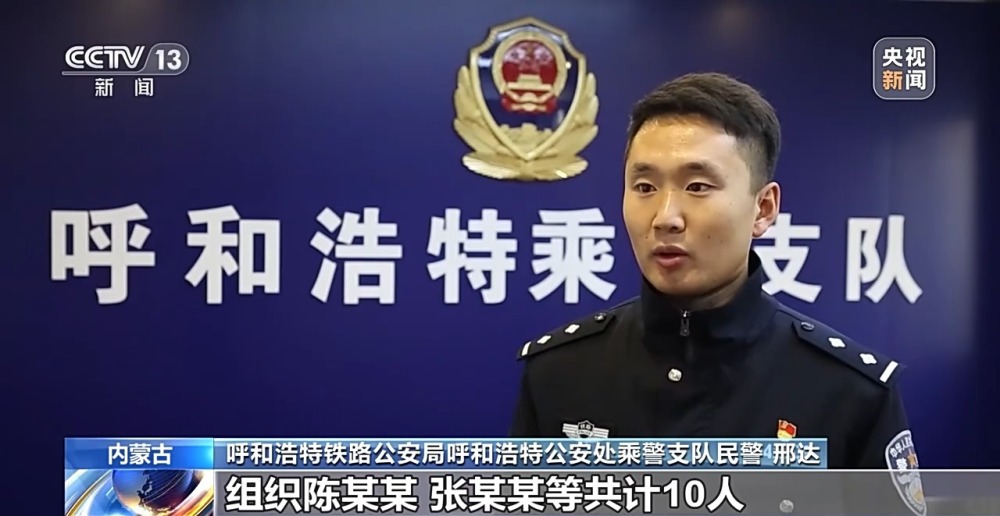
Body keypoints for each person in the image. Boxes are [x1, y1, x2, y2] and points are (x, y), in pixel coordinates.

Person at [509, 73, 926, 515]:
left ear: (763, 208)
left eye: (698, 187)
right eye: (645, 187)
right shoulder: (559, 374)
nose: (665, 217)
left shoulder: (850, 393)